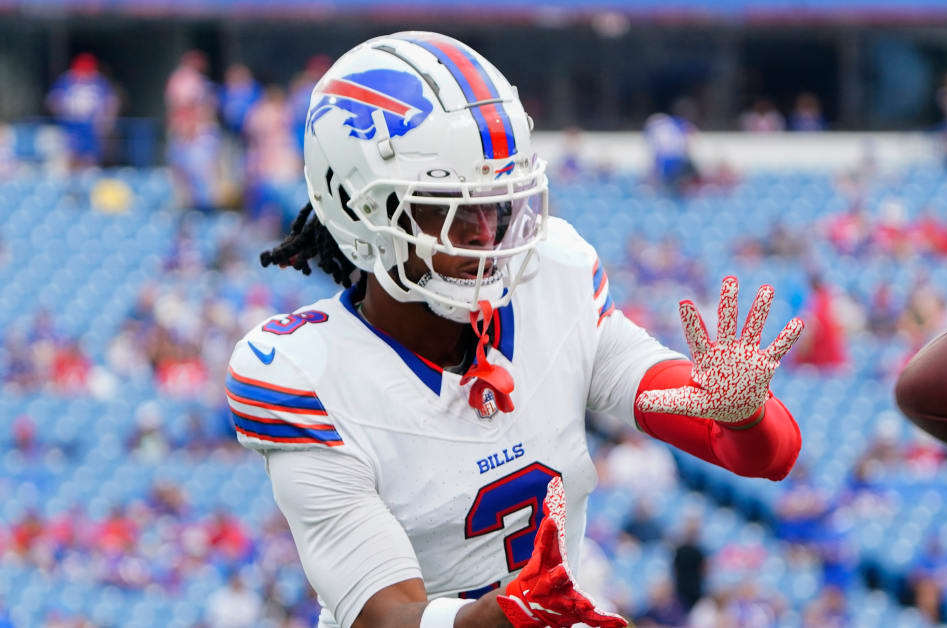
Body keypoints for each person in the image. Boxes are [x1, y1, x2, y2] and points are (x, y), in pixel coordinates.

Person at [232, 32, 806, 628]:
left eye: (498, 203)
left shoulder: (551, 281)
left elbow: (768, 454)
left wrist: (742, 414)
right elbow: (384, 616)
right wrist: (498, 618)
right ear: (359, 211)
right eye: (446, 206)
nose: (486, 234)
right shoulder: (302, 374)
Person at [46, 53, 118, 169]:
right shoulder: (66, 79)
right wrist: (64, 112)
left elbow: (112, 102)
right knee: (68, 159)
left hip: (92, 128)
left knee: (90, 161)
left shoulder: (100, 81)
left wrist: (106, 122)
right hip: (70, 127)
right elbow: (52, 100)